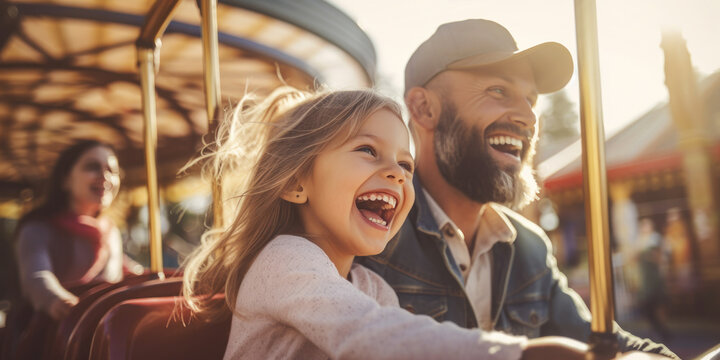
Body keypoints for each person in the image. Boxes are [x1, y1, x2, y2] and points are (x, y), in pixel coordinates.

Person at [181, 87, 659, 359]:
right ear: (296, 184)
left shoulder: (370, 286)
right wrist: (519, 354)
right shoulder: (286, 260)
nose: (394, 172)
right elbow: (371, 336)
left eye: (405, 165)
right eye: (368, 150)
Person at [356, 19, 677, 358]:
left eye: (531, 99)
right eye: (498, 90)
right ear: (424, 108)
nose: (529, 117)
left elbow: (604, 342)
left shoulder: (530, 248)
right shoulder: (369, 236)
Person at [15, 140, 133, 321]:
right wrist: (58, 300)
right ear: (65, 180)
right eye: (92, 167)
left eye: (112, 170)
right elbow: (36, 277)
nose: (105, 176)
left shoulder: (110, 232)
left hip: (101, 327)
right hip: (54, 332)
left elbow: (126, 270)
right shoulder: (37, 229)